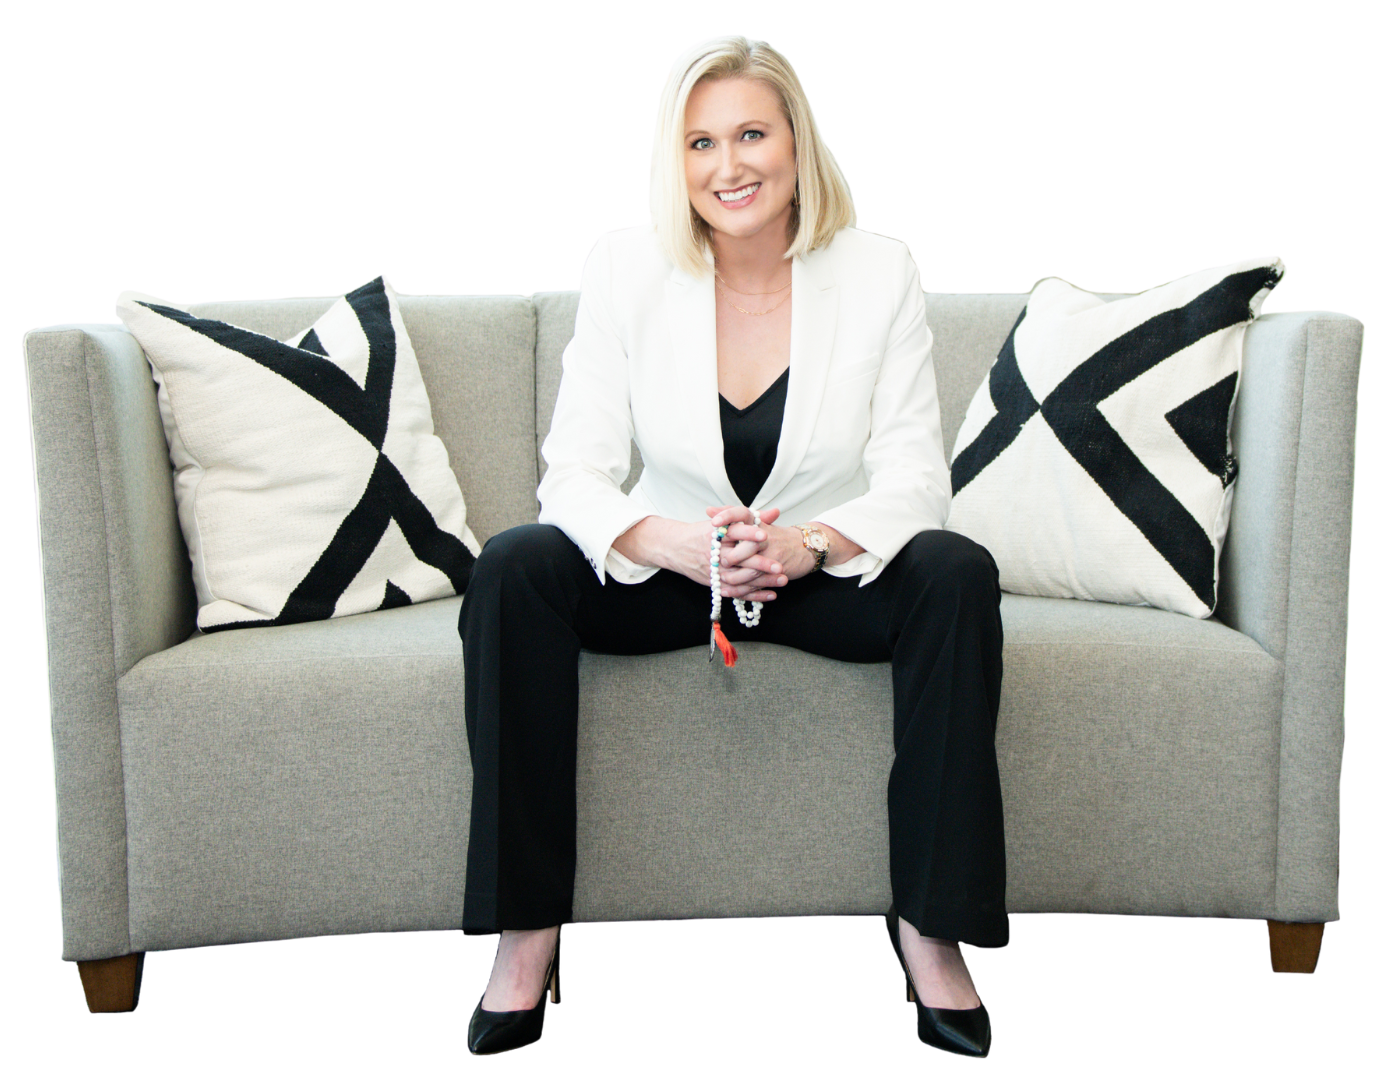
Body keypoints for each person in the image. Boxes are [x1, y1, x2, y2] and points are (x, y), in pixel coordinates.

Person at [461, 34, 1007, 1058]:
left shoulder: (879, 269)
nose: (728, 166)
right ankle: (524, 935)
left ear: (796, 142)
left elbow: (913, 479)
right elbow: (571, 475)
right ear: (676, 161)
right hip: (673, 575)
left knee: (954, 570)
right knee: (514, 566)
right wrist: (664, 540)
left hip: (819, 576)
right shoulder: (623, 265)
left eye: (751, 133)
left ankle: (932, 934)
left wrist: (806, 542)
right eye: (700, 142)